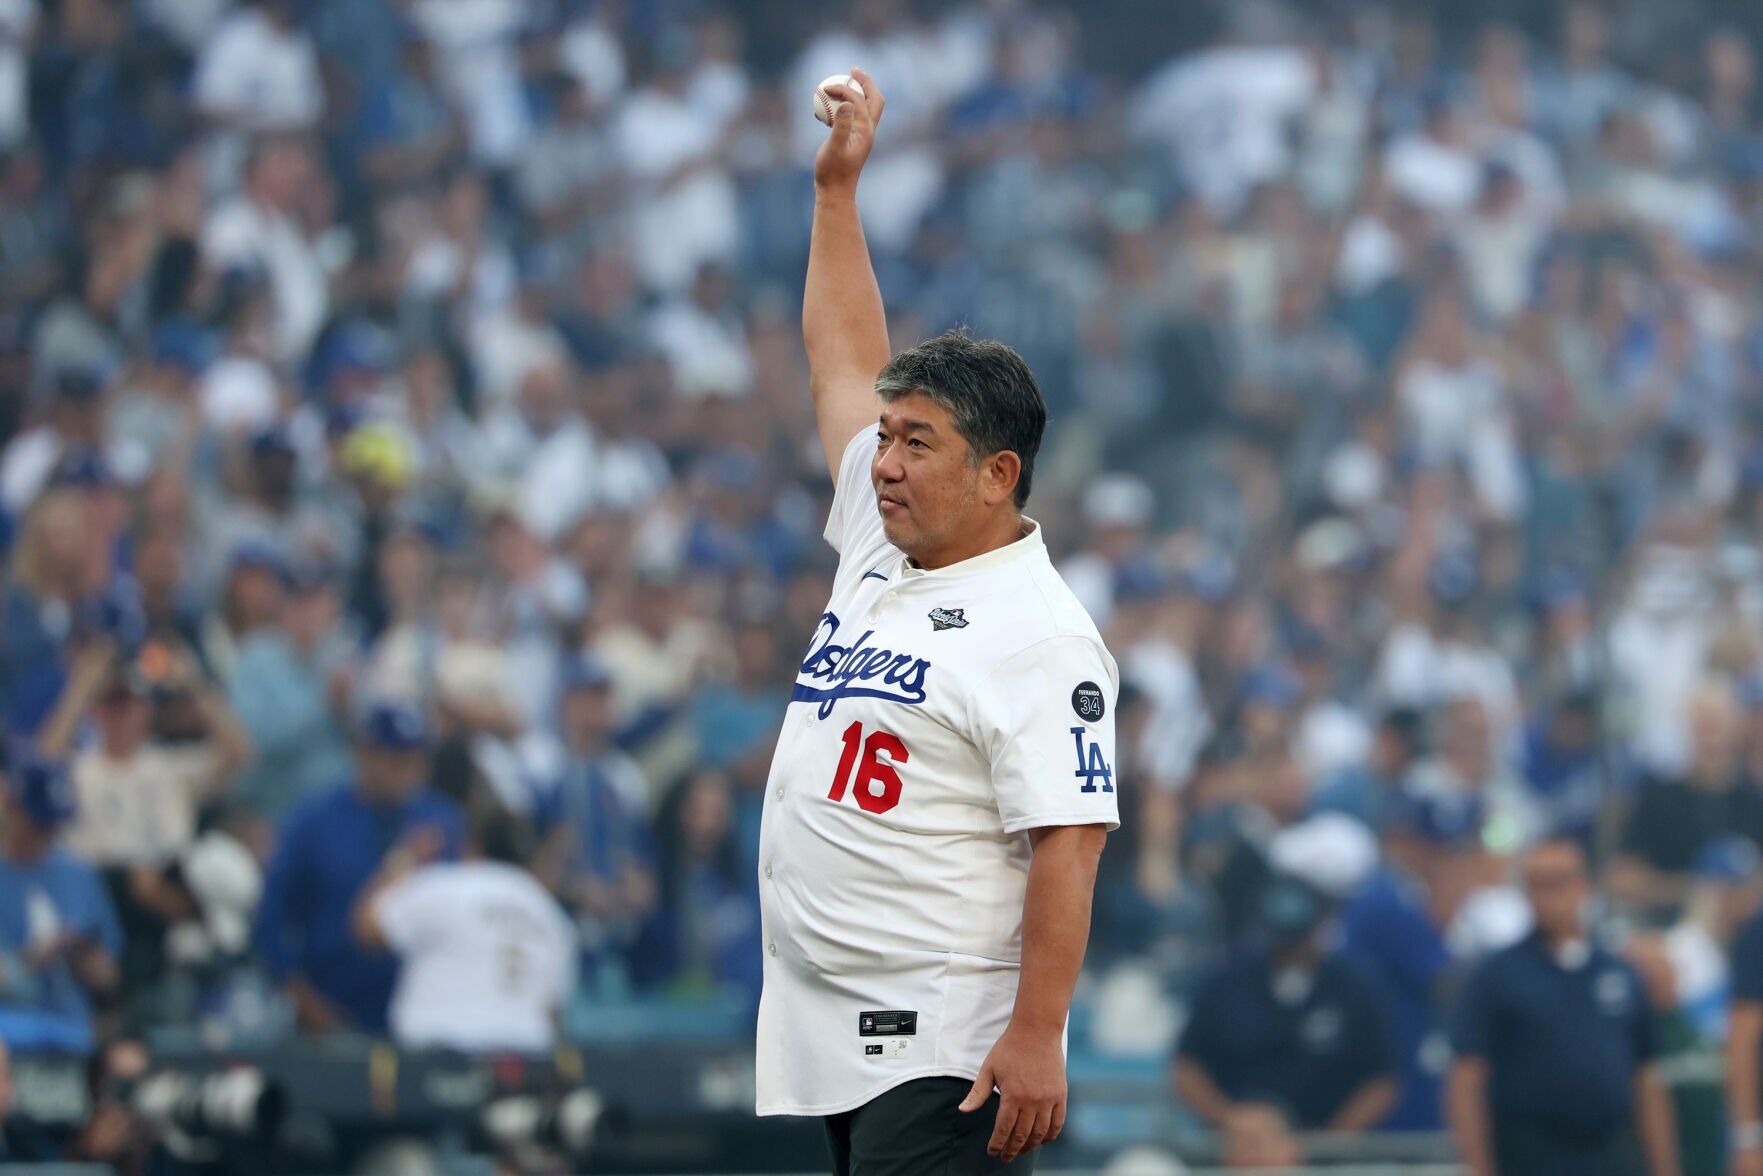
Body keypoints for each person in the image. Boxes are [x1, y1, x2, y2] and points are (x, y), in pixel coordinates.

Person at [755, 71, 1119, 1175]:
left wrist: (1037, 1034)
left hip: (942, 1046)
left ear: (997, 472)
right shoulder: (882, 541)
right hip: (832, 1033)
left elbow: (1068, 838)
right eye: (888, 437)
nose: (885, 462)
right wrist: (835, 194)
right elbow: (839, 356)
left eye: (917, 443)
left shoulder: (1040, 630)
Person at [1448, 836, 1679, 1176]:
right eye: (1540, 884)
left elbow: (1645, 1078)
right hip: (1531, 1152)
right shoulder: (1498, 976)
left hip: (1610, 1151)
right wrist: (1478, 1167)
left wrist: (1665, 1166)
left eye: (1561, 881)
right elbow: (1467, 1076)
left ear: (1584, 885)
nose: (1552, 896)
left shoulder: (1618, 972)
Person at [253, 701, 463, 1035]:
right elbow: (271, 920)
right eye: (394, 757)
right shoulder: (314, 819)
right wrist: (306, 1003)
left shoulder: (443, 821)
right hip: (331, 1004)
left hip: (427, 1012)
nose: (406, 769)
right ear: (363, 753)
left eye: (415, 758)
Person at [1174, 872, 1398, 1154]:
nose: (1289, 953)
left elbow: (1382, 1080)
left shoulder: (1354, 988)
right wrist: (1230, 1120)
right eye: (1281, 941)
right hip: (1236, 1147)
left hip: (1324, 1153)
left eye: (1297, 940)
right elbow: (1186, 1067)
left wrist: (1329, 1142)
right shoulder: (1227, 983)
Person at [353, 812, 576, 1054]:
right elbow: (554, 1014)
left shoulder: (446, 884)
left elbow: (367, 929)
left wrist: (404, 859)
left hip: (437, 1055)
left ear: (472, 846)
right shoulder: (553, 916)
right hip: (524, 1063)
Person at [0, 754, 121, 1053]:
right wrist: (31, 959)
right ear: (13, 808)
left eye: (55, 824)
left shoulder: (78, 872)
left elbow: (110, 968)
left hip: (72, 1029)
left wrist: (88, 963)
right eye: (41, 823)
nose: (49, 834)